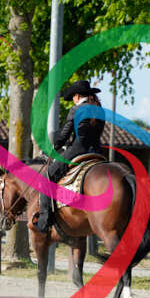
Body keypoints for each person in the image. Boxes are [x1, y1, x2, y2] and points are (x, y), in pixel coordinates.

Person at [34, 80, 105, 234]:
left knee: (46, 176)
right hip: (97, 152)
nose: (73, 99)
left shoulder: (76, 109)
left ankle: (44, 220)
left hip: (78, 150)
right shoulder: (99, 110)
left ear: (77, 96)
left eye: (73, 96)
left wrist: (54, 148)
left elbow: (65, 134)